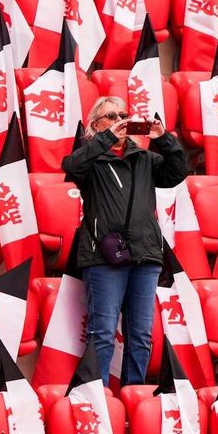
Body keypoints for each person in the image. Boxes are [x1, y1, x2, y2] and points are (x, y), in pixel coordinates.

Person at [62, 96, 189, 385]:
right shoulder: (91, 158)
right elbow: (71, 166)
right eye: (111, 116)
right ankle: (98, 397)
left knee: (141, 335)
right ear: (96, 125)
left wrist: (162, 138)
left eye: (124, 115)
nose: (120, 120)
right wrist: (107, 138)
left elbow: (176, 172)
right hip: (103, 255)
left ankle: (133, 398)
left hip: (144, 254)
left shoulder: (144, 157)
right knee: (103, 332)